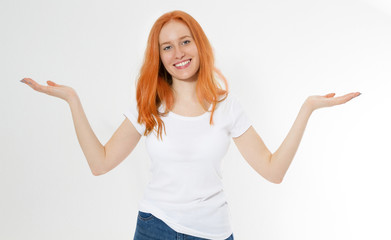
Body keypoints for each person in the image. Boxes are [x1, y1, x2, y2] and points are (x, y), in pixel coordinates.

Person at [20, 10, 360, 240]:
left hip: (213, 232)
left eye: (185, 41)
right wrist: (72, 100)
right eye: (167, 47)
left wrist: (307, 109)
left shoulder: (227, 107)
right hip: (155, 228)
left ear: (199, 44)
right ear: (160, 57)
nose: (178, 52)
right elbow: (100, 163)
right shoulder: (148, 106)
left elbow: (273, 171)